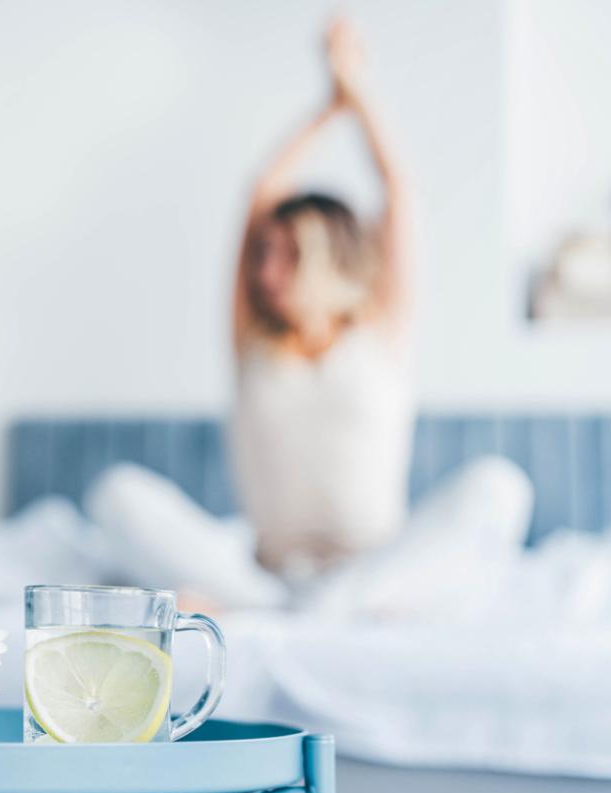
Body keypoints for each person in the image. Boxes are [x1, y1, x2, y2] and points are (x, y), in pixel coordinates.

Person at [86, 19, 533, 617]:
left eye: (291, 254)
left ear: (333, 264)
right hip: (265, 575)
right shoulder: (252, 337)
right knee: (116, 494)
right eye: (264, 253)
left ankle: (323, 605)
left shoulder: (381, 328)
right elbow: (262, 191)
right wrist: (328, 108)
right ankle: (292, 607)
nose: (267, 270)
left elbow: (398, 191)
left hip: (375, 569)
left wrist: (357, 90)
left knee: (499, 486)